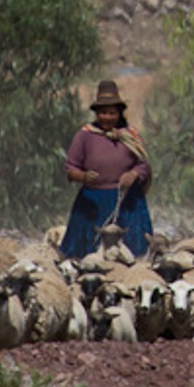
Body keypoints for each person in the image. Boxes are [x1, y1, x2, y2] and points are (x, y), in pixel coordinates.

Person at [59, 79, 153, 260]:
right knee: (85, 256)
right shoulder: (84, 136)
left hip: (128, 203)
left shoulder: (130, 136)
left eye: (112, 113)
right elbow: (71, 168)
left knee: (135, 255)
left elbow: (143, 165)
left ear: (119, 113)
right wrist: (83, 176)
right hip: (93, 203)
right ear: (96, 114)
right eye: (103, 113)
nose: (107, 117)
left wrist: (133, 174)